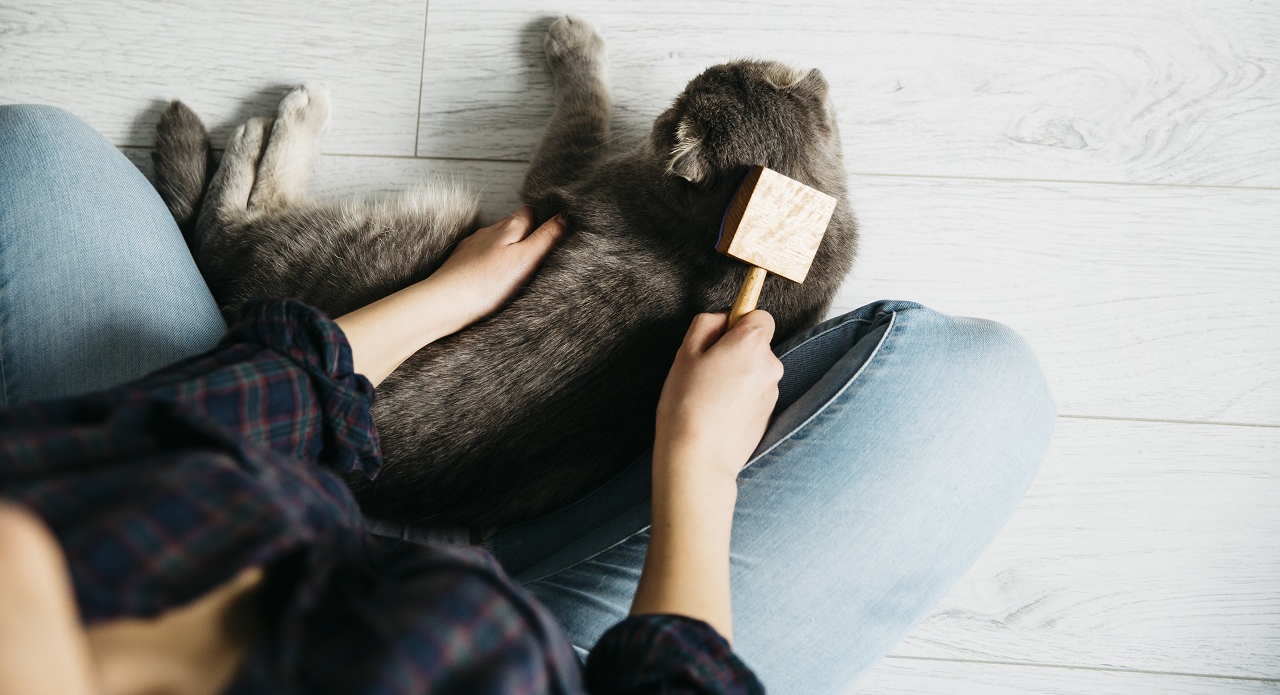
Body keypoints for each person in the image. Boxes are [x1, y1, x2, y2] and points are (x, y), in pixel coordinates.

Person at [0, 104, 1056, 694]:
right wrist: (695, 465)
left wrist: (436, 302)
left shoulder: (41, 528)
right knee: (982, 384)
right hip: (557, 654)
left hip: (288, 501)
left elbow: (192, 432)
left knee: (36, 157)